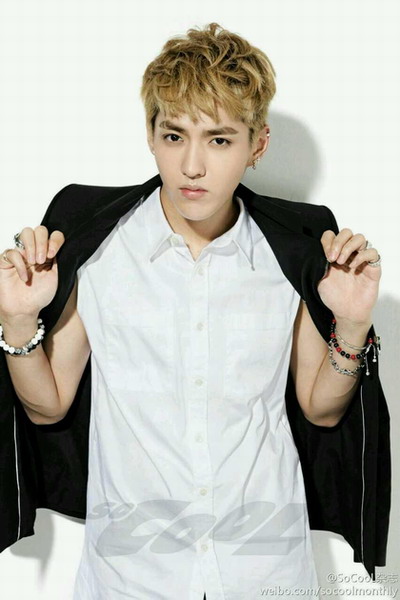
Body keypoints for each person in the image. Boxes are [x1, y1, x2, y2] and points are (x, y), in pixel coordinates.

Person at [0, 22, 389, 600]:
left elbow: (322, 409)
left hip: (265, 571)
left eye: (220, 140)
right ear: (151, 136)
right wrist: (17, 319)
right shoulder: (99, 248)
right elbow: (46, 404)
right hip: (131, 577)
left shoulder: (293, 251)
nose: (192, 166)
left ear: (258, 145)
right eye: (174, 135)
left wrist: (352, 326)